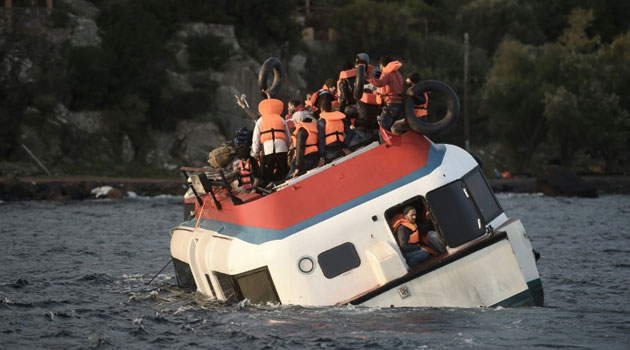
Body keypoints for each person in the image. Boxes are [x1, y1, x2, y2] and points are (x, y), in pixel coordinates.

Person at [251, 98, 291, 186]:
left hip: (268, 149)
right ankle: (279, 184)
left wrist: (255, 153)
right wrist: (287, 148)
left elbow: (255, 139)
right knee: (283, 171)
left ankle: (268, 187)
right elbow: (288, 136)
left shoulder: (260, 120)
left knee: (267, 173)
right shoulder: (281, 119)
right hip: (282, 148)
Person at [367, 56, 403, 132]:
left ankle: (386, 144)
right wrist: (376, 92)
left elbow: (380, 83)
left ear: (382, 65)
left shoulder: (386, 72)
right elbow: (389, 88)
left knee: (383, 131)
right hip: (398, 104)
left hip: (390, 105)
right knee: (391, 129)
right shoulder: (397, 73)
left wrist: (368, 78)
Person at [317, 95, 349, 164]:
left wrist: (322, 157)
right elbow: (350, 132)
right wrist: (345, 145)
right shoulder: (340, 118)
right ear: (331, 108)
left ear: (321, 109)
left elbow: (321, 139)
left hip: (329, 152)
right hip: (341, 148)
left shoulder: (322, 121)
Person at [288, 110, 319, 177]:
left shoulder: (301, 131)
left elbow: (300, 148)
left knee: (290, 176)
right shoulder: (313, 126)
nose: (293, 123)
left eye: (294, 121)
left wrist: (297, 167)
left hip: (304, 159)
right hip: (314, 157)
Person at [233, 127, 262, 192]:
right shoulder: (242, 163)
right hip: (245, 190)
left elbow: (257, 177)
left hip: (251, 189)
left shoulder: (251, 161)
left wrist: (253, 189)